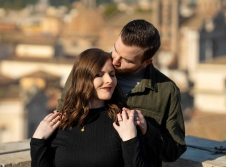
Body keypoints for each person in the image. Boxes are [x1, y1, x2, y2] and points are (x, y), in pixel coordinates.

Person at [56, 20, 187, 166]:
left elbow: (174, 150)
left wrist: (147, 129)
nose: (115, 60)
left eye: (126, 59)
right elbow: (63, 118)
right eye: (116, 50)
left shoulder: (165, 91)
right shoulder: (87, 68)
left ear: (146, 63)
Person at [30, 48, 151, 167]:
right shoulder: (61, 122)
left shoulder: (122, 121)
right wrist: (38, 140)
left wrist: (130, 140)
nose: (109, 80)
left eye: (112, 74)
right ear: (83, 79)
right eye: (99, 75)